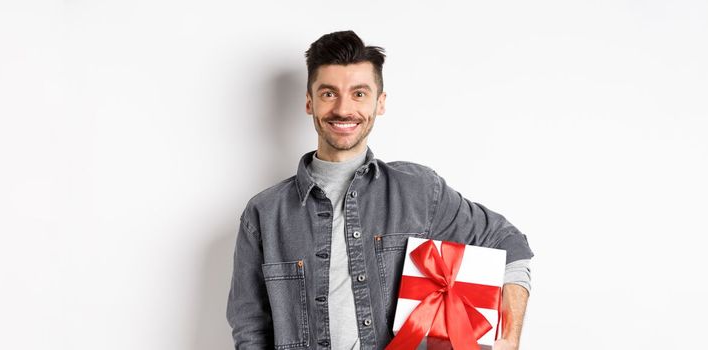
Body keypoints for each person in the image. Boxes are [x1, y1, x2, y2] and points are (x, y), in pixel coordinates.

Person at [226, 30, 534, 350]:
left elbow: (508, 243)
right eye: (329, 93)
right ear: (309, 102)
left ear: (380, 102)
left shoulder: (418, 191)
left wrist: (509, 340)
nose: (344, 109)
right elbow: (249, 327)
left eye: (359, 94)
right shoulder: (264, 213)